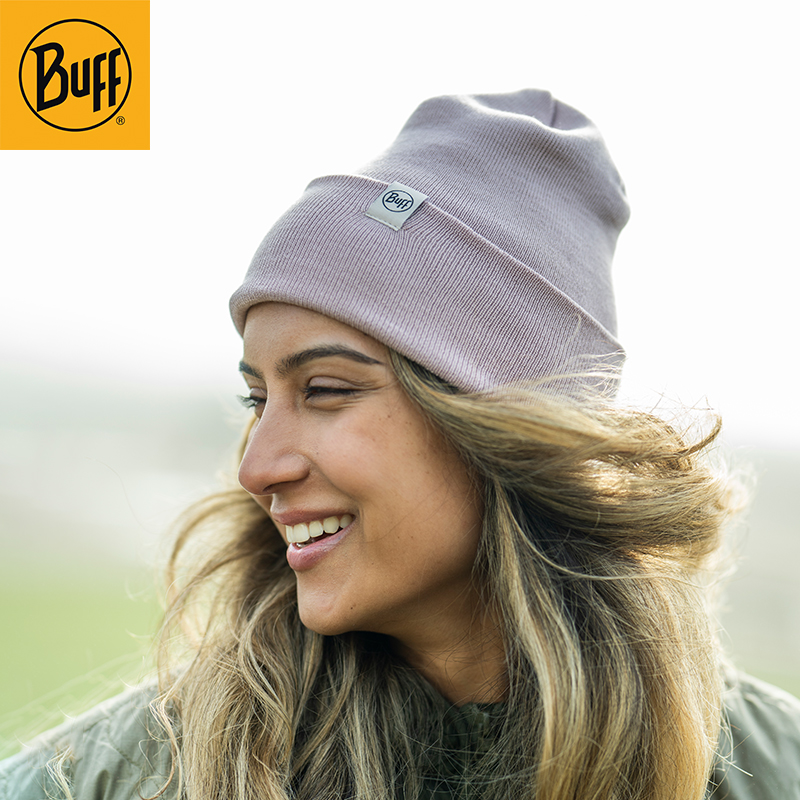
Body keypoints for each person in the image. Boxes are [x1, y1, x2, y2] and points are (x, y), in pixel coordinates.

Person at [2, 89, 799, 800]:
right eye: (258, 399)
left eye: (325, 390)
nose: (255, 467)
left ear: (508, 427)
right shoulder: (116, 780)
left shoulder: (771, 771)